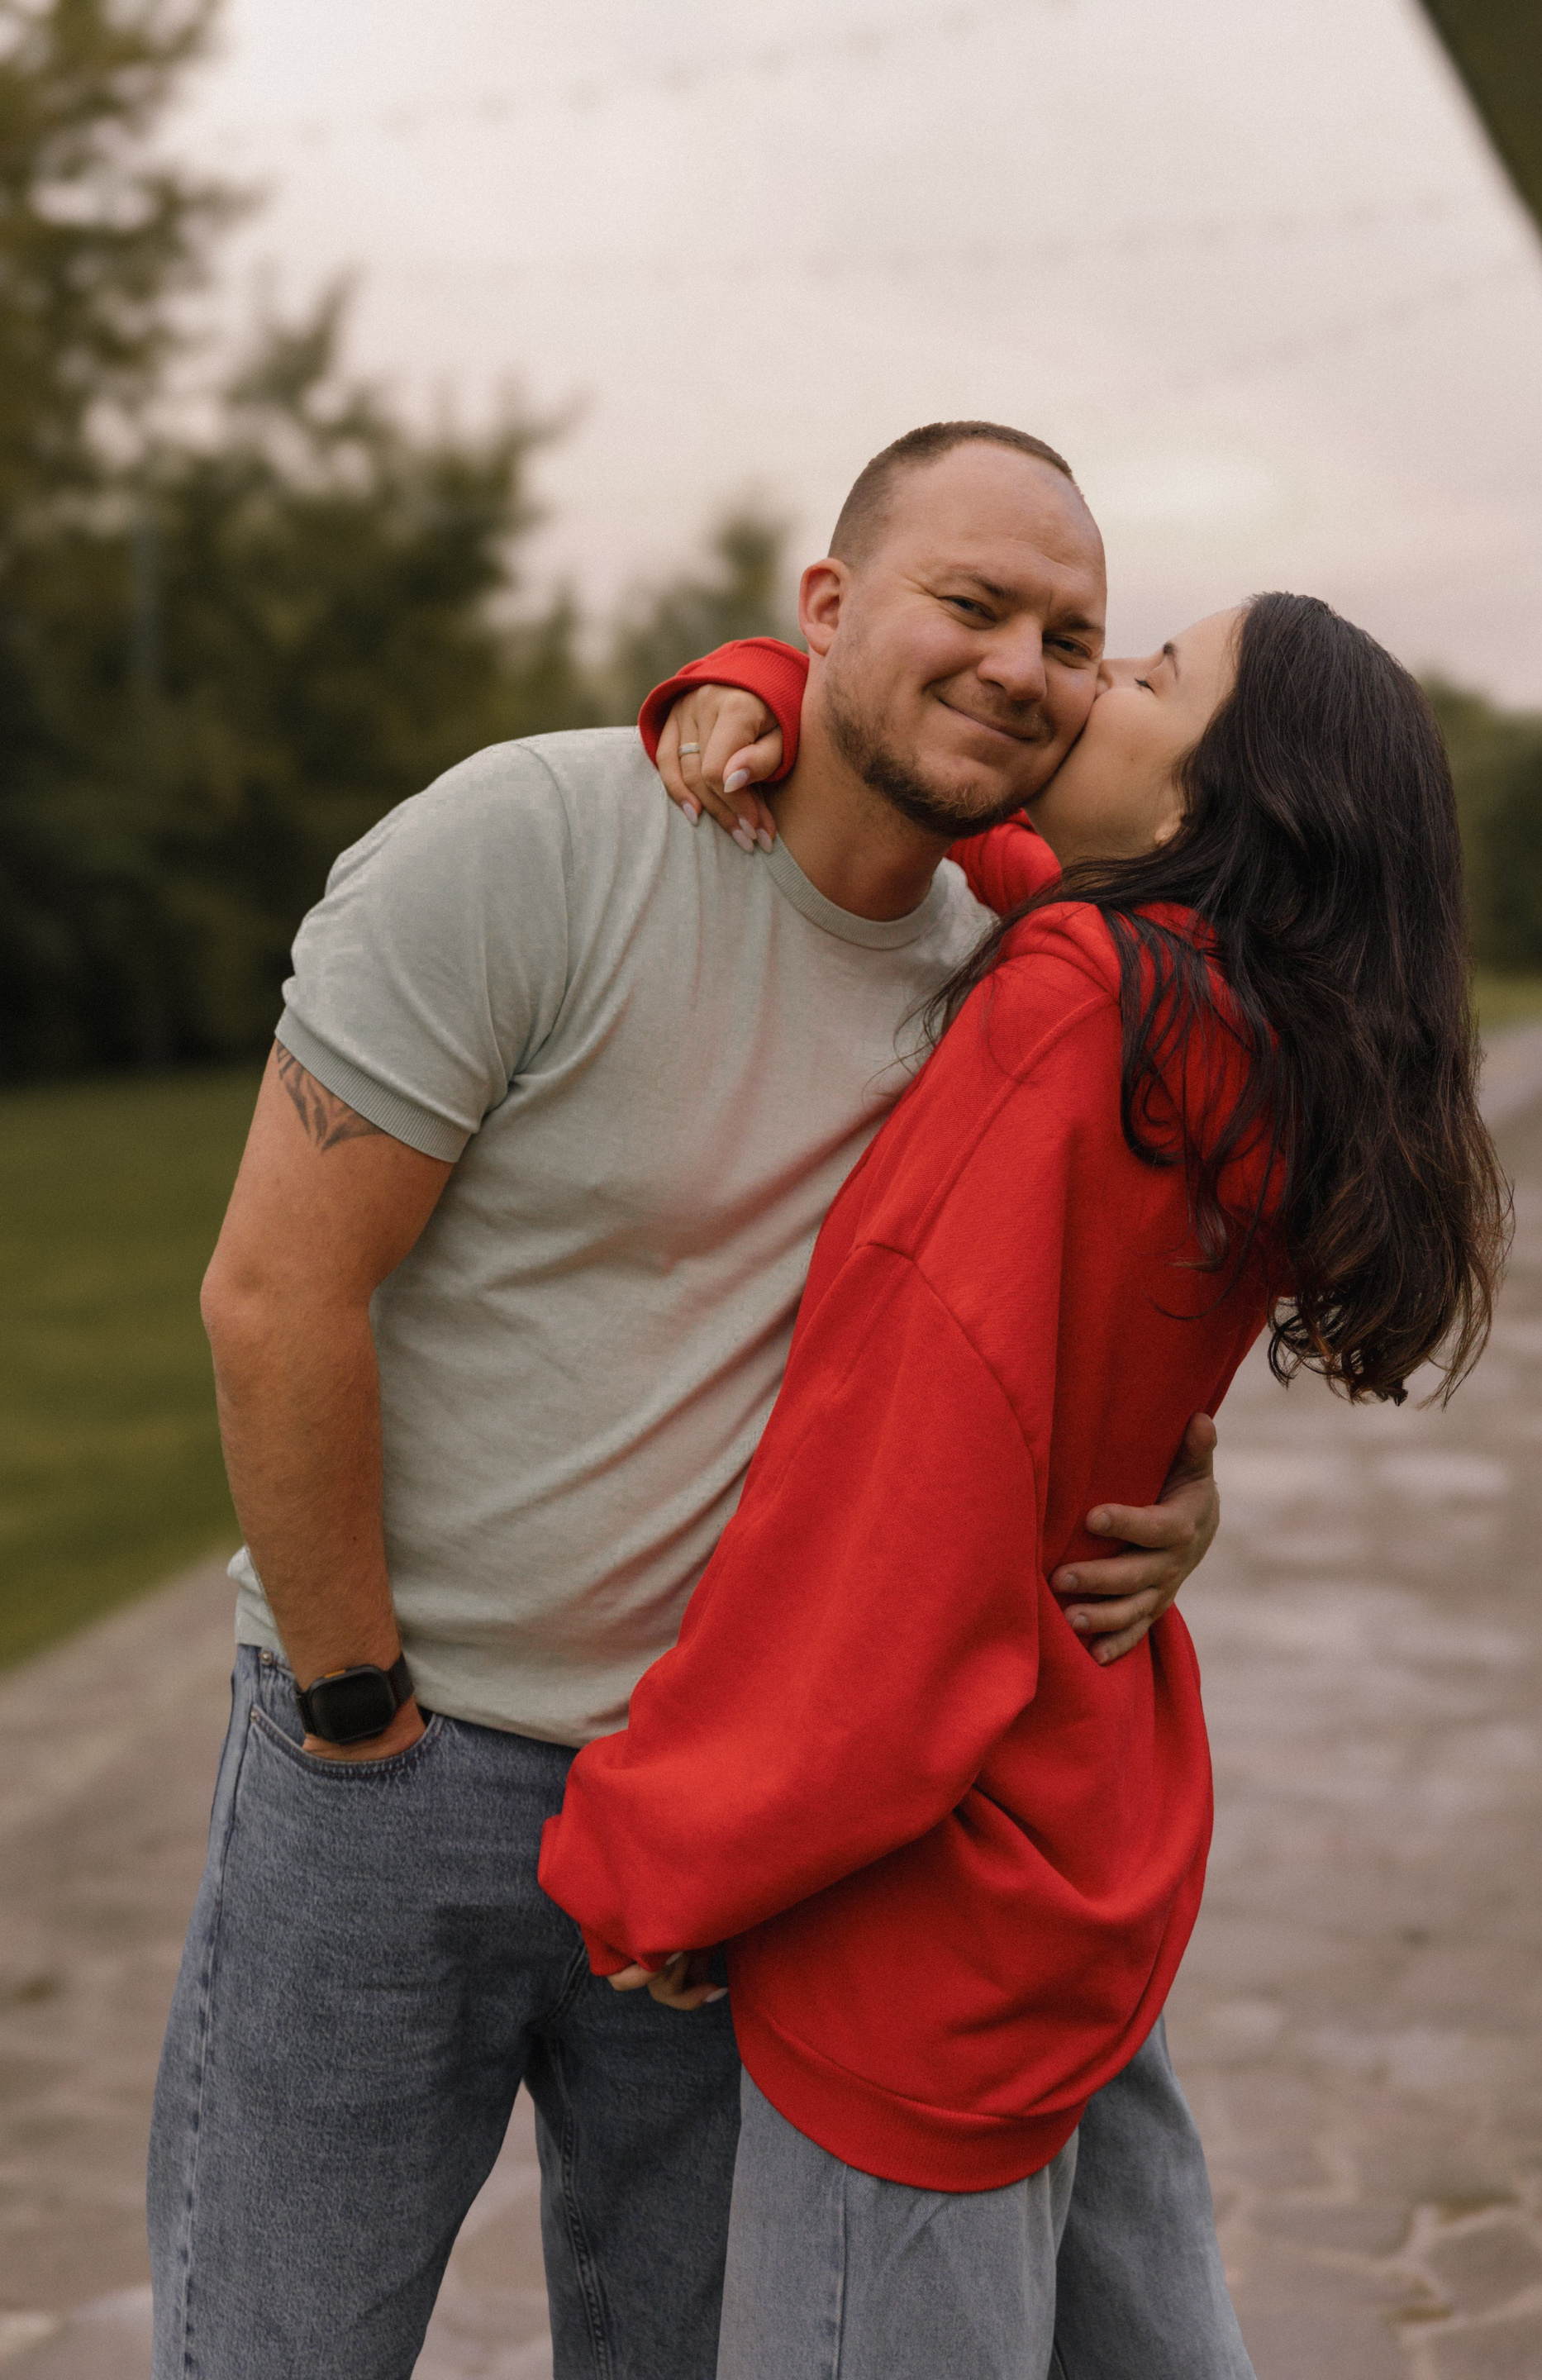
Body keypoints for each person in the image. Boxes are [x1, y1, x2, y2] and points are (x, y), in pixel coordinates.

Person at [145, 421, 1230, 2380]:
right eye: (971, 602)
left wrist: (1188, 1483)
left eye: (1074, 639)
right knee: (273, 2350)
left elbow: (1078, 1313)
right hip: (399, 1767)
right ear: (824, 608)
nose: (1022, 665)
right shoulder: (535, 841)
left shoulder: (1017, 969)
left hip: (730, 1832)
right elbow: (273, 1295)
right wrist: (355, 1708)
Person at [539, 590, 1508, 2380]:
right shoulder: (1247, 1028)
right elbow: (987, 826)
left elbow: (897, 1507)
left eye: (1151, 677)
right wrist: (772, 686)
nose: (1093, 684)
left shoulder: (1079, 1018)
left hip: (927, 1913)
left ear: (1221, 805)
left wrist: (668, 1851)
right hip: (1080, 1833)